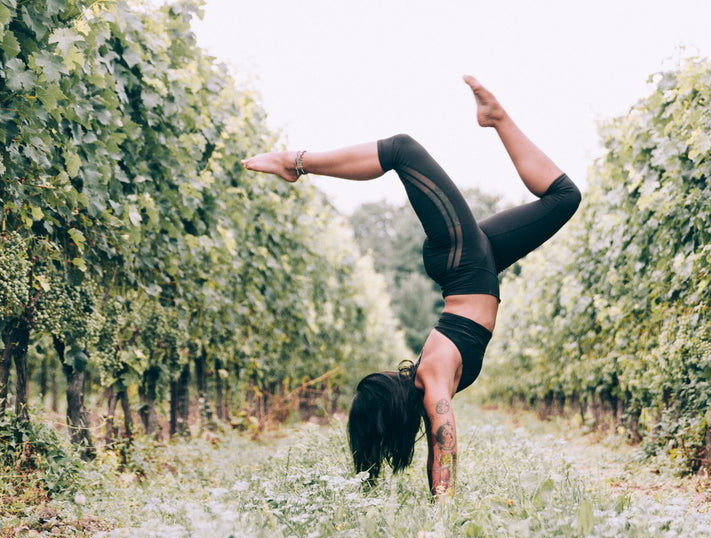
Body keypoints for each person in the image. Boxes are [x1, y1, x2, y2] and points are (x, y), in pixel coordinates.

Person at [242, 76, 580, 498]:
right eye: (383, 381)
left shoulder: (428, 378)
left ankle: (495, 118)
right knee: (562, 197)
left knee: (404, 150)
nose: (388, 372)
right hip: (471, 263)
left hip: (465, 266)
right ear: (390, 401)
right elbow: (444, 445)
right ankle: (296, 163)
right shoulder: (432, 379)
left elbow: (441, 445)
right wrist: (443, 506)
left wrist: (441, 499)